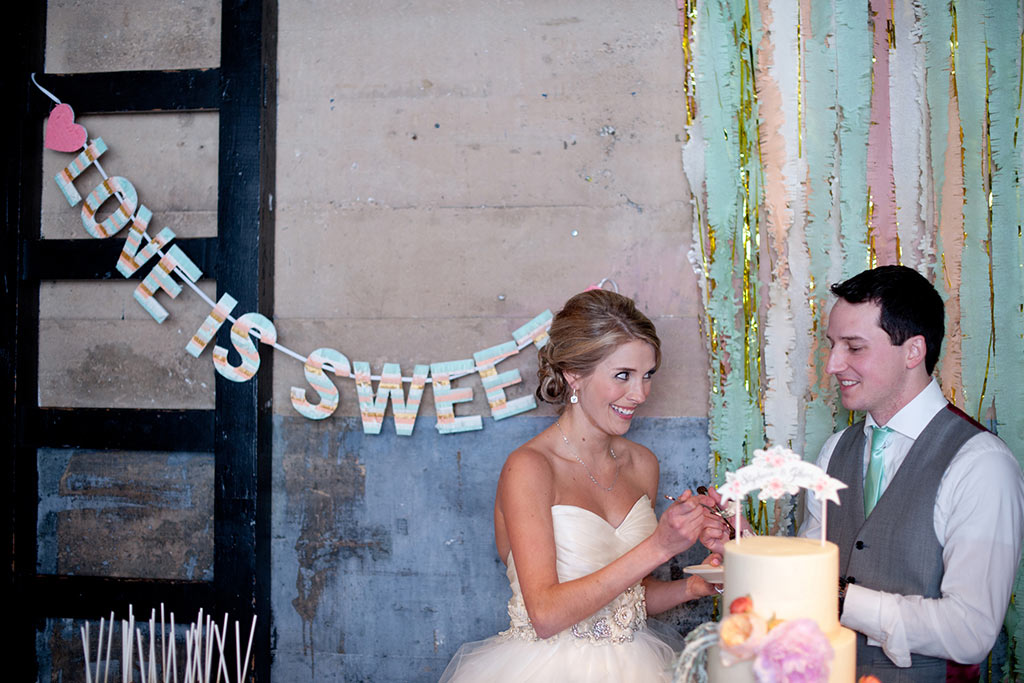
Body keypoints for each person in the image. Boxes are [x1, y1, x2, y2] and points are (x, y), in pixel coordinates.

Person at [439, 289, 728, 682]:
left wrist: (696, 586)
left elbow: (629, 597)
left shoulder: (642, 464)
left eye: (647, 376)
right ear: (574, 374)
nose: (640, 394)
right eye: (622, 376)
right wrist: (660, 545)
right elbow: (545, 614)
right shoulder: (529, 468)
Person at [797, 265, 1024, 681]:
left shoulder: (981, 464)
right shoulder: (833, 452)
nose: (831, 365)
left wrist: (846, 602)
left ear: (913, 351)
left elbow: (970, 632)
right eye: (833, 345)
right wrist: (742, 551)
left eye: (854, 347)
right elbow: (807, 578)